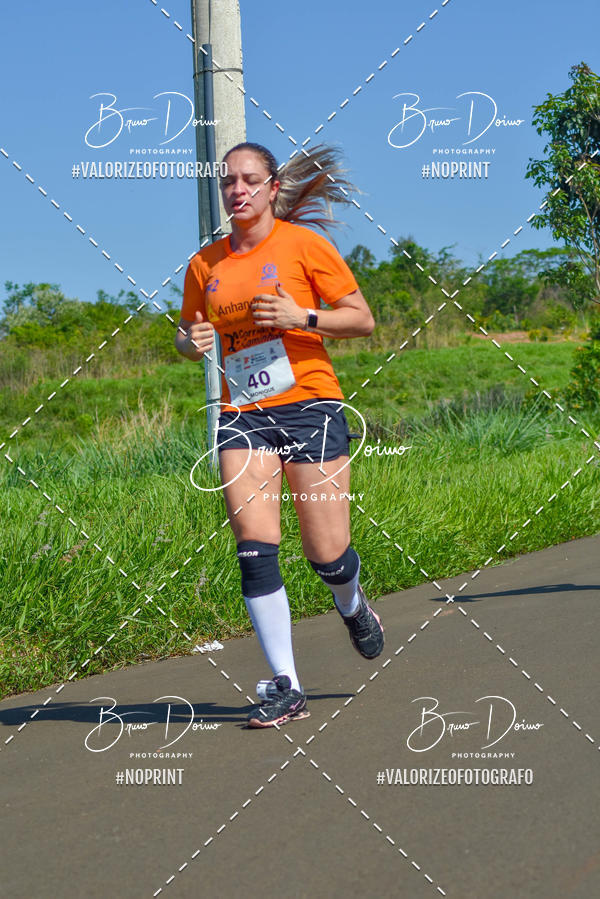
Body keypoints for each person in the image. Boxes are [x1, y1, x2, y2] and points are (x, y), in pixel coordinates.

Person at [175, 142, 384, 728]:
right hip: (241, 412)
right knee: (253, 548)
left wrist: (303, 318)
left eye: (247, 180)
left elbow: (362, 319)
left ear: (270, 187)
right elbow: (188, 331)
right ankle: (285, 686)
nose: (236, 191)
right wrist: (188, 343)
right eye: (227, 183)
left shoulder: (304, 246)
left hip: (310, 405)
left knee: (327, 553)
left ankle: (351, 601)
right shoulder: (205, 264)